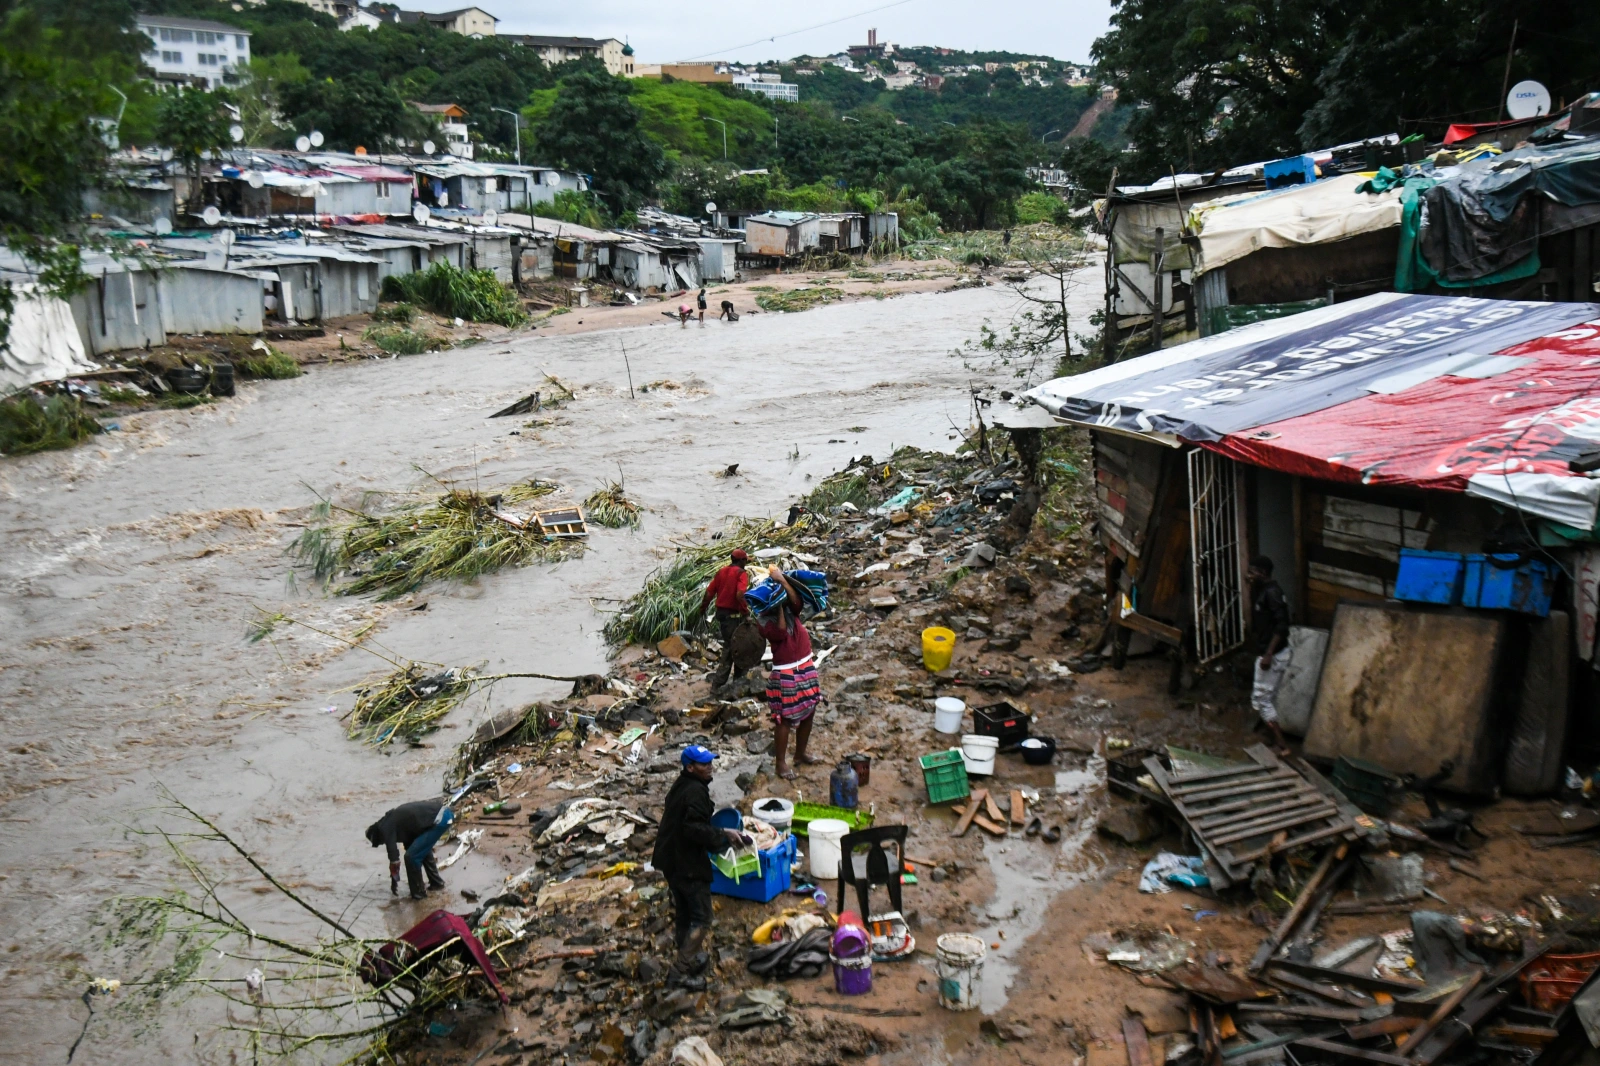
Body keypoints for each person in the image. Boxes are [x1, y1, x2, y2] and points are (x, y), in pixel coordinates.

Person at [652, 745, 745, 989]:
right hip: (686, 863)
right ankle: (680, 971)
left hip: (670, 858)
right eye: (704, 764)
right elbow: (692, 829)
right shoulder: (694, 792)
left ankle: (688, 957)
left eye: (710, 762)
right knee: (702, 918)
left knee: (684, 912)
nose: (710, 767)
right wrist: (723, 834)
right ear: (690, 767)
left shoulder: (682, 785)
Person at [757, 566, 822, 779]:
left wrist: (783, 582)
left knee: (810, 710)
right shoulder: (763, 620)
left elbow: (797, 602)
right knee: (784, 719)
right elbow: (781, 632)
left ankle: (800, 753)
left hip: (805, 664)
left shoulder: (791, 609)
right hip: (785, 671)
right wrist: (776, 607)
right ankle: (780, 763)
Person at [366, 799, 456, 900]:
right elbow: (410, 846)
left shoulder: (385, 827)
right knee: (420, 851)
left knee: (411, 857)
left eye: (381, 842)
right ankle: (436, 883)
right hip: (444, 815)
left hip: (440, 819)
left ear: (379, 835)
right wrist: (394, 877)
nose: (384, 842)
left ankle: (419, 895)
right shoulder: (396, 824)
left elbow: (394, 859)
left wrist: (394, 877)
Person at [1248, 555, 1292, 755]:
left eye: (1253, 572)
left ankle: (1281, 745)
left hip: (1272, 654)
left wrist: (1268, 654)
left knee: (1262, 700)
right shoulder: (1264, 590)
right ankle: (1275, 739)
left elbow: (1282, 626)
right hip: (1273, 652)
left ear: (1263, 573)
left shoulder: (1272, 593)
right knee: (1267, 698)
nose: (1249, 575)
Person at [699, 548, 751, 689]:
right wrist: (746, 614)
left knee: (732, 646)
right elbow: (740, 594)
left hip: (722, 616)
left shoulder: (721, 572)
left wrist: (702, 609)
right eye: (745, 560)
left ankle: (735, 681)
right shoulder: (741, 574)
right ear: (740, 561)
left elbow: (709, 593)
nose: (746, 563)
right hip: (734, 617)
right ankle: (722, 684)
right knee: (733, 649)